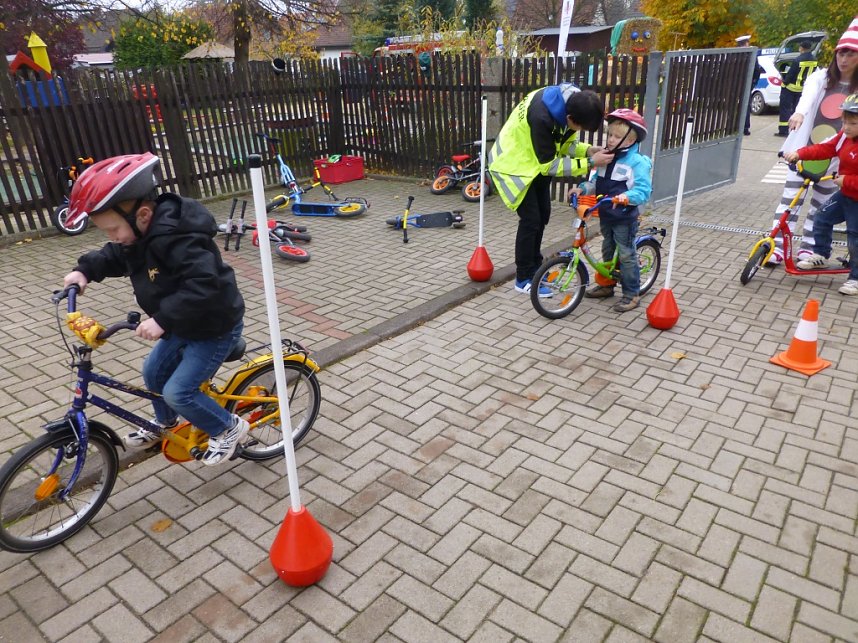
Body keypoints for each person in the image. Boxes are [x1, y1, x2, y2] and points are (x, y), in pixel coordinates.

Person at [61, 153, 248, 466]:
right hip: (182, 324)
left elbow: (204, 284)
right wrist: (84, 272)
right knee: (153, 372)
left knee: (178, 392)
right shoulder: (139, 236)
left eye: (113, 229)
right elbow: (115, 255)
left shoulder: (181, 239)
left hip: (213, 327)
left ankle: (229, 428)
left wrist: (162, 319)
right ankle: (166, 424)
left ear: (143, 215)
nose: (113, 237)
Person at [487, 83, 614, 295]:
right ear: (571, 119)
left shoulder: (570, 103)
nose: (579, 131)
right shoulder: (542, 117)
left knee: (543, 215)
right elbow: (549, 165)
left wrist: (588, 150)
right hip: (514, 166)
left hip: (533, 164)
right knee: (531, 221)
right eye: (580, 128)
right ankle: (523, 278)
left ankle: (536, 268)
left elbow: (565, 144)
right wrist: (591, 162)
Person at [767, 17, 858, 266]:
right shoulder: (820, 78)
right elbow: (807, 97)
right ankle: (776, 247)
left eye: (850, 54)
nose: (844, 59)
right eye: (841, 53)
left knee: (819, 206)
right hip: (805, 150)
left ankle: (809, 248)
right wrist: (799, 112)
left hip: (834, 158)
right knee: (789, 201)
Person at [570, 109, 653, 312]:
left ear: (630, 139)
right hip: (606, 214)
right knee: (607, 249)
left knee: (625, 254)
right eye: (609, 135)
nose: (611, 139)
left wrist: (626, 197)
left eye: (617, 136)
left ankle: (632, 294)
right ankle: (606, 286)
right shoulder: (606, 158)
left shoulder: (636, 163)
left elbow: (643, 191)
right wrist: (581, 188)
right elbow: (596, 182)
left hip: (624, 217)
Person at [783, 94, 858, 294]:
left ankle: (855, 278)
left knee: (855, 238)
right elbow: (825, 149)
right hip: (846, 195)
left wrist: (847, 181)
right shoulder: (844, 137)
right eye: (844, 121)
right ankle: (821, 255)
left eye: (853, 123)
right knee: (822, 217)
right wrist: (800, 153)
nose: (846, 127)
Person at [777, 40, 817, 137]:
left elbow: (791, 74)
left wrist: (784, 82)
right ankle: (794, 129)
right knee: (796, 109)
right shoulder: (814, 60)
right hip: (802, 89)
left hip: (790, 88)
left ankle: (783, 130)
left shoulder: (797, 60)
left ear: (802, 48)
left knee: (785, 109)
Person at [737, 35, 764, 136]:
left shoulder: (735, 54)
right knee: (745, 105)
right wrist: (753, 82)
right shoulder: (752, 55)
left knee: (735, 106)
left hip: (735, 85)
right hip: (747, 84)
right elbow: (757, 70)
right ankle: (745, 128)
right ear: (746, 43)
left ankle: (734, 127)